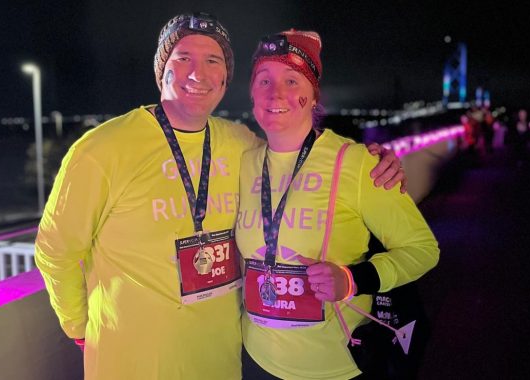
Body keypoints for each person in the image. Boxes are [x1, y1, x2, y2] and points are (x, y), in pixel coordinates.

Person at [34, 13, 406, 380]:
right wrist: (79, 328)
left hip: (221, 359)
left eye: (213, 60)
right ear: (161, 68)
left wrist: (375, 162)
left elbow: (301, 159)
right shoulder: (102, 150)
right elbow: (56, 250)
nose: (199, 73)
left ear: (226, 78)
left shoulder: (240, 142)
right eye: (183, 58)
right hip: (134, 361)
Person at [236, 30, 440, 379]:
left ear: (313, 96)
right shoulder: (242, 161)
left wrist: (352, 279)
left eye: (291, 79)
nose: (276, 92)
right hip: (256, 360)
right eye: (263, 80)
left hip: (335, 368)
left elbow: (423, 249)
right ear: (252, 94)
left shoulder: (357, 163)